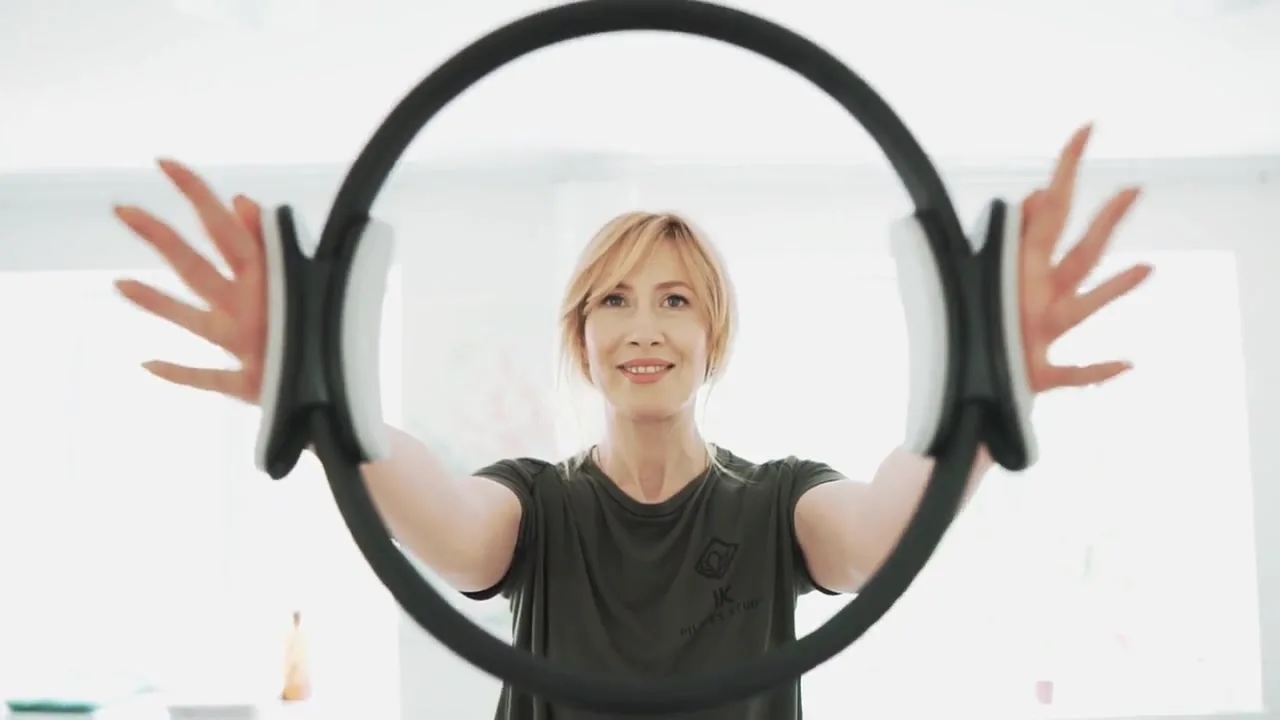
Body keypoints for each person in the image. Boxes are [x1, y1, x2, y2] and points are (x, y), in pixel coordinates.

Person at [113, 123, 1151, 720]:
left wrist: (983, 399)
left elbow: (880, 529)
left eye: (674, 299)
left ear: (713, 333)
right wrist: (320, 393)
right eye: (613, 299)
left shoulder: (779, 501)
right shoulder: (534, 505)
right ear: (580, 335)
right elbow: (443, 515)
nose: (643, 326)